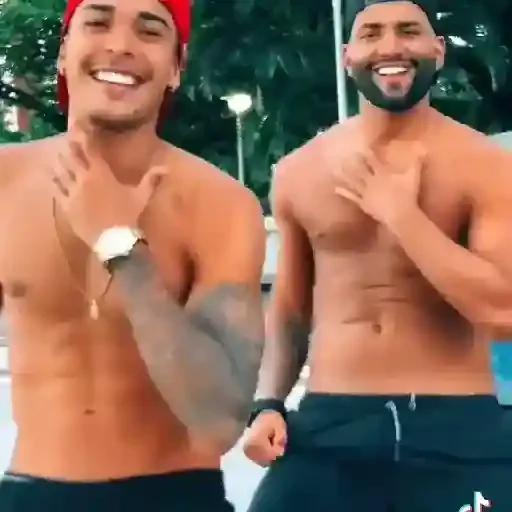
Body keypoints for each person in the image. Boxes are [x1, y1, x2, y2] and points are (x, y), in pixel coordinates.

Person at [244, 1, 512, 510]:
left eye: (409, 31)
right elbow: (291, 310)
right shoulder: (300, 172)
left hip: (458, 429)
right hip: (330, 425)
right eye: (372, 34)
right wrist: (268, 404)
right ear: (348, 56)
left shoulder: (485, 167)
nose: (391, 46)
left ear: (437, 50)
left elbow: (504, 313)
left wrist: (403, 216)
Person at [0, 0, 266, 510]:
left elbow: (218, 421)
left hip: (171, 495)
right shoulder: (5, 185)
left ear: (176, 67)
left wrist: (120, 245)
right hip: (31, 494)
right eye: (98, 23)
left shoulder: (221, 205)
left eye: (149, 30)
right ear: (63, 52)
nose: (120, 44)